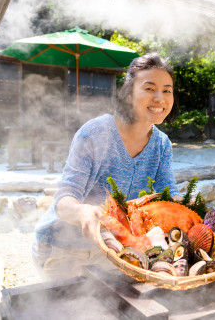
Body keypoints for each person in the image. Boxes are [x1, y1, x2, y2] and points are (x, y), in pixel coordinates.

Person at [32, 52, 183, 281]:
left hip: (116, 250)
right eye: (149, 88)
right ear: (129, 93)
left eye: (167, 90)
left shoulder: (161, 144)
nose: (160, 98)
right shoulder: (94, 133)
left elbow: (168, 195)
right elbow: (65, 199)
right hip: (63, 247)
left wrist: (189, 208)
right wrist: (82, 211)